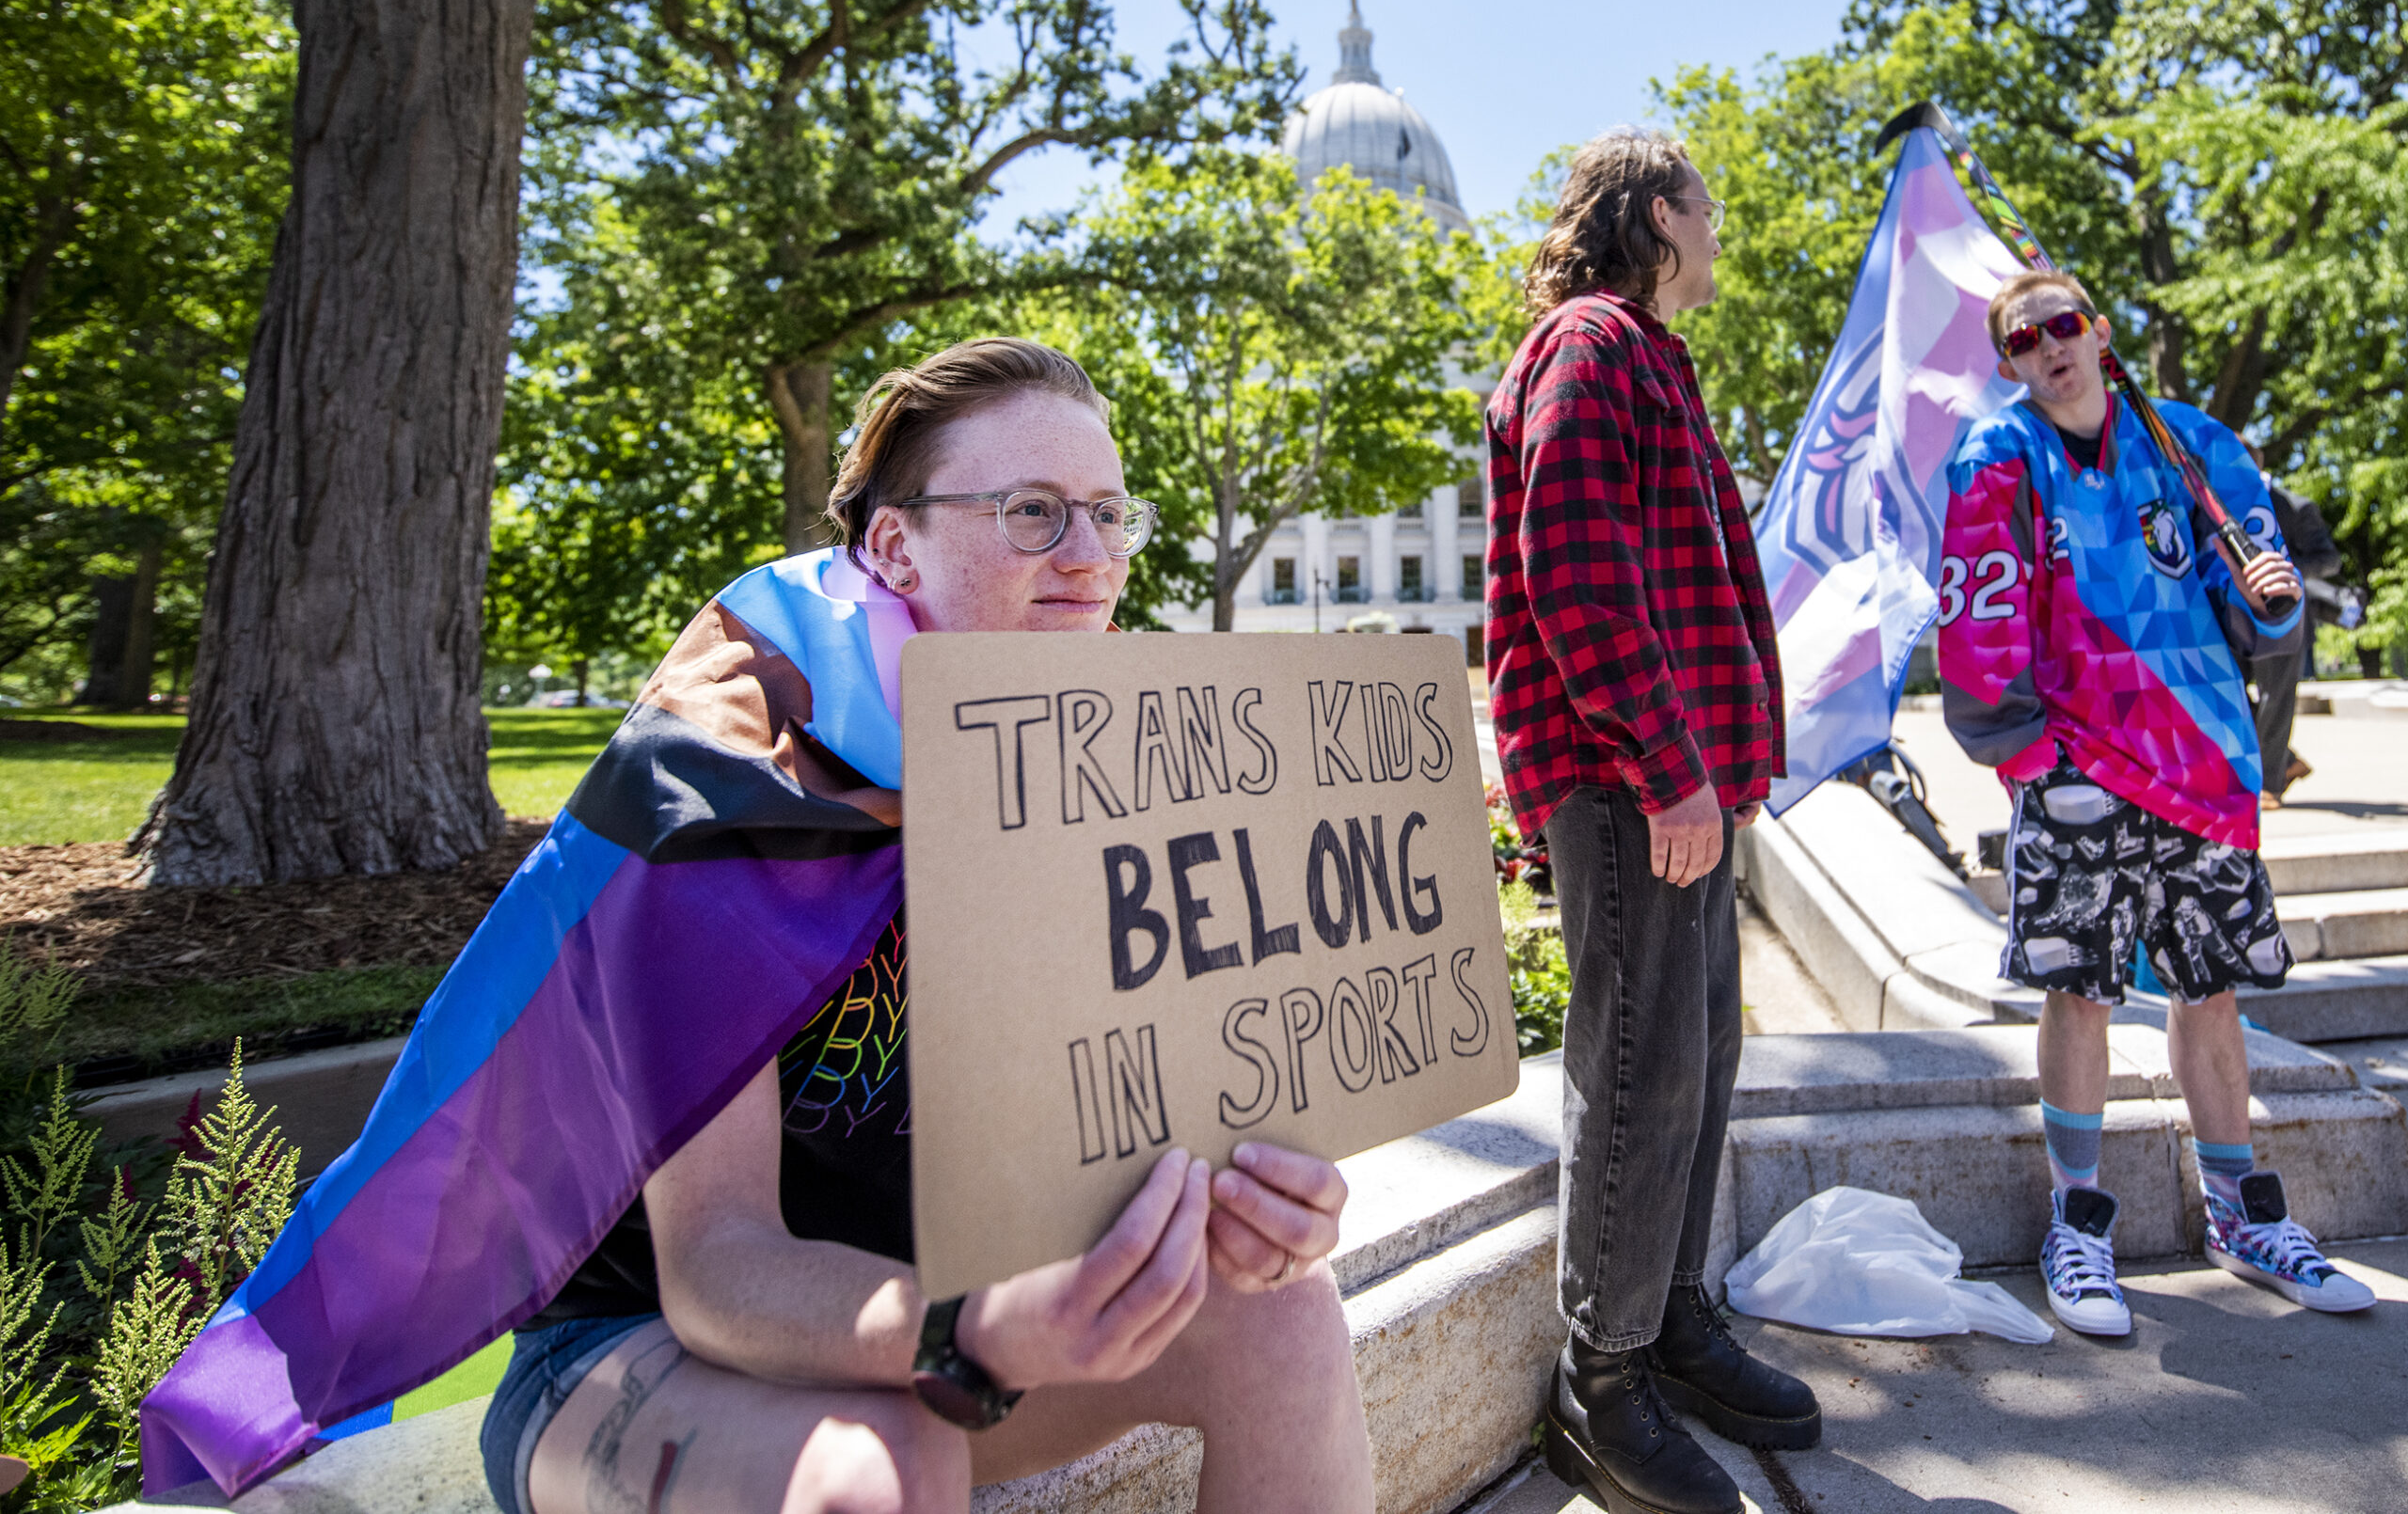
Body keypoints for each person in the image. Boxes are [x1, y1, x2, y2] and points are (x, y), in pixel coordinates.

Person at [145, 340, 1372, 1514]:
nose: (1092, 557)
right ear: (895, 545)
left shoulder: (1101, 773)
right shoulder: (730, 780)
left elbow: (1115, 1149)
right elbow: (718, 1269)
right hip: (640, 1354)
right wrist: (971, 1328)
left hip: (958, 1321)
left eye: (1111, 513)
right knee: (877, 1462)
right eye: (1035, 512)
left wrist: (1246, 1203)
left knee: (1286, 1313)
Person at [1938, 273, 2376, 1336]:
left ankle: (2239, 1214)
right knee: (2077, 992)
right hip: (2078, 765)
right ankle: (2077, 1223)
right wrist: (2023, 751)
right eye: (2025, 336)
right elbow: (1975, 606)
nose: (2051, 345)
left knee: (2213, 988)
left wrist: (2267, 600)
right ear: (2008, 362)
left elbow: (2248, 583)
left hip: (2201, 765)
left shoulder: (2191, 442)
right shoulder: (1997, 455)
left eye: (2066, 325)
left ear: (2098, 334)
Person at [1485, 128, 1814, 1514]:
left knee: (1700, 1064)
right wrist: (1672, 762)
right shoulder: (1590, 345)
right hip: (1626, 779)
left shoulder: (1655, 361)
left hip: (1683, 781)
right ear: (1656, 213)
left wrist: (1721, 767)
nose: (1723, 223)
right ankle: (1601, 1382)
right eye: (1710, 203)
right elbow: (1575, 567)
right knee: (1639, 1074)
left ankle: (1671, 1319)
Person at [2242, 449, 2344, 806]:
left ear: (2256, 462)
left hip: (2285, 615)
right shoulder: (2218, 503)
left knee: (2276, 695)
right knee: (2230, 689)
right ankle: (2284, 762)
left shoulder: (2294, 506)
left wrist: (2283, 568)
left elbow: (2329, 560)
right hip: (2235, 615)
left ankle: (2269, 785)